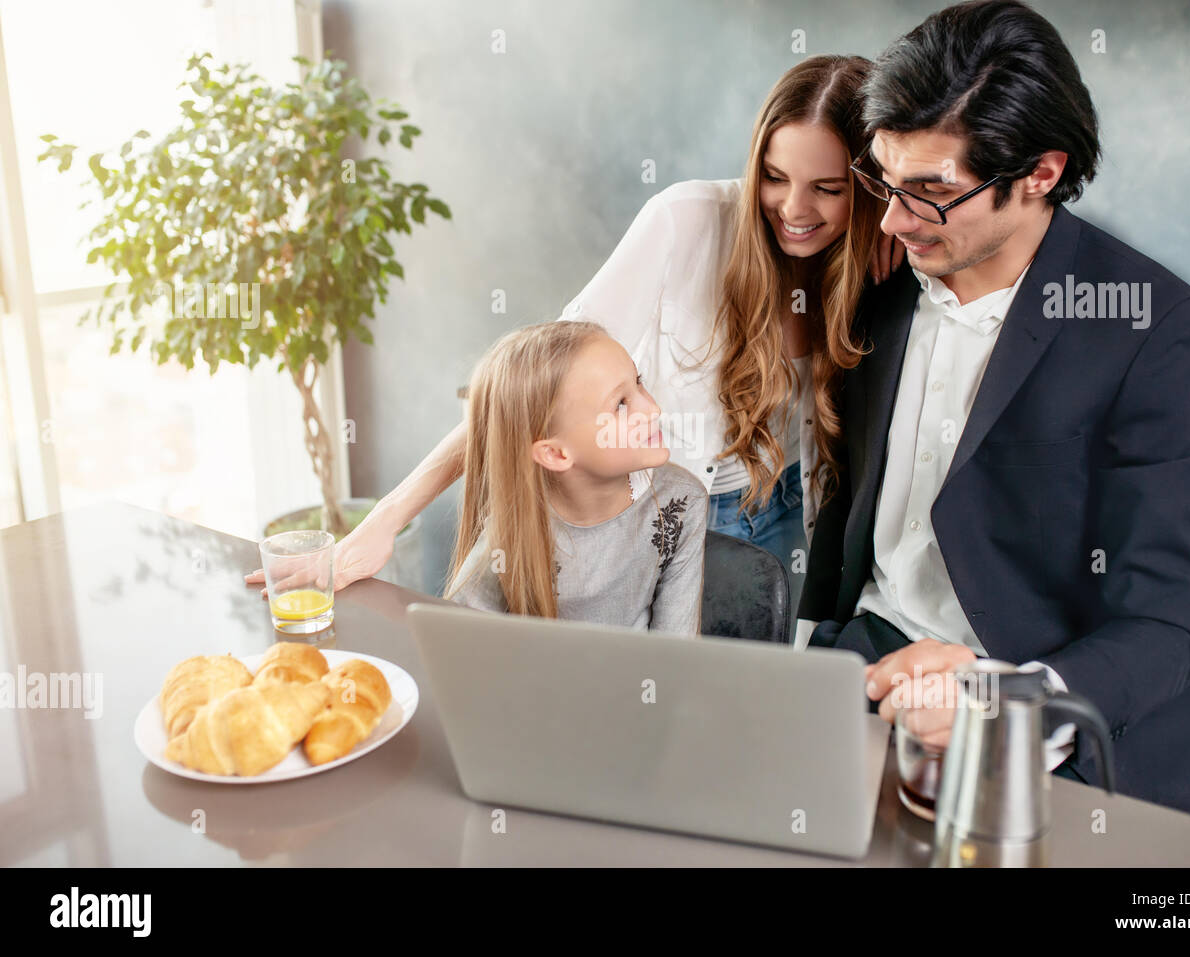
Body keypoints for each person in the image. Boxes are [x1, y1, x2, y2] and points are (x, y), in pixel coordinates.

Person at [246, 55, 902, 636]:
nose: (793, 207)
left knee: (739, 698)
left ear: (868, 186)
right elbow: (529, 386)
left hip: (788, 504)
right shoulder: (686, 222)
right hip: (674, 513)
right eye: (775, 176)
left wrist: (892, 225)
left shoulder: (878, 254)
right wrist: (384, 519)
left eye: (829, 188)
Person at [799, 0, 1190, 820]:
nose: (891, 219)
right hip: (875, 664)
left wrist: (1010, 704)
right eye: (883, 180)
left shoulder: (1156, 327)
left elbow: (1168, 622)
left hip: (1059, 714)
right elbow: (851, 502)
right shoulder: (882, 273)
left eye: (929, 191)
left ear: (1039, 173)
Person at [444, 320, 705, 634]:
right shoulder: (515, 522)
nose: (652, 409)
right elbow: (457, 638)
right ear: (555, 454)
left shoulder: (682, 501)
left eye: (638, 382)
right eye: (621, 405)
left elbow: (675, 650)